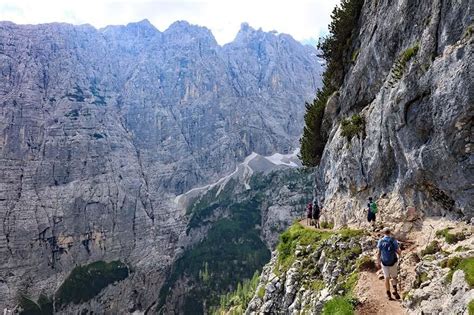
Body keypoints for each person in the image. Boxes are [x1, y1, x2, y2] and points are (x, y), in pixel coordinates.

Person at [377, 227, 401, 300]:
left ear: (384, 233)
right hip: (393, 262)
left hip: (384, 262)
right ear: (390, 232)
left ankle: (388, 294)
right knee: (394, 277)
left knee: (386, 278)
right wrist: (400, 255)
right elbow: (398, 251)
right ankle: (395, 290)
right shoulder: (393, 240)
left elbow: (378, 253)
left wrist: (378, 262)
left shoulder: (380, 241)